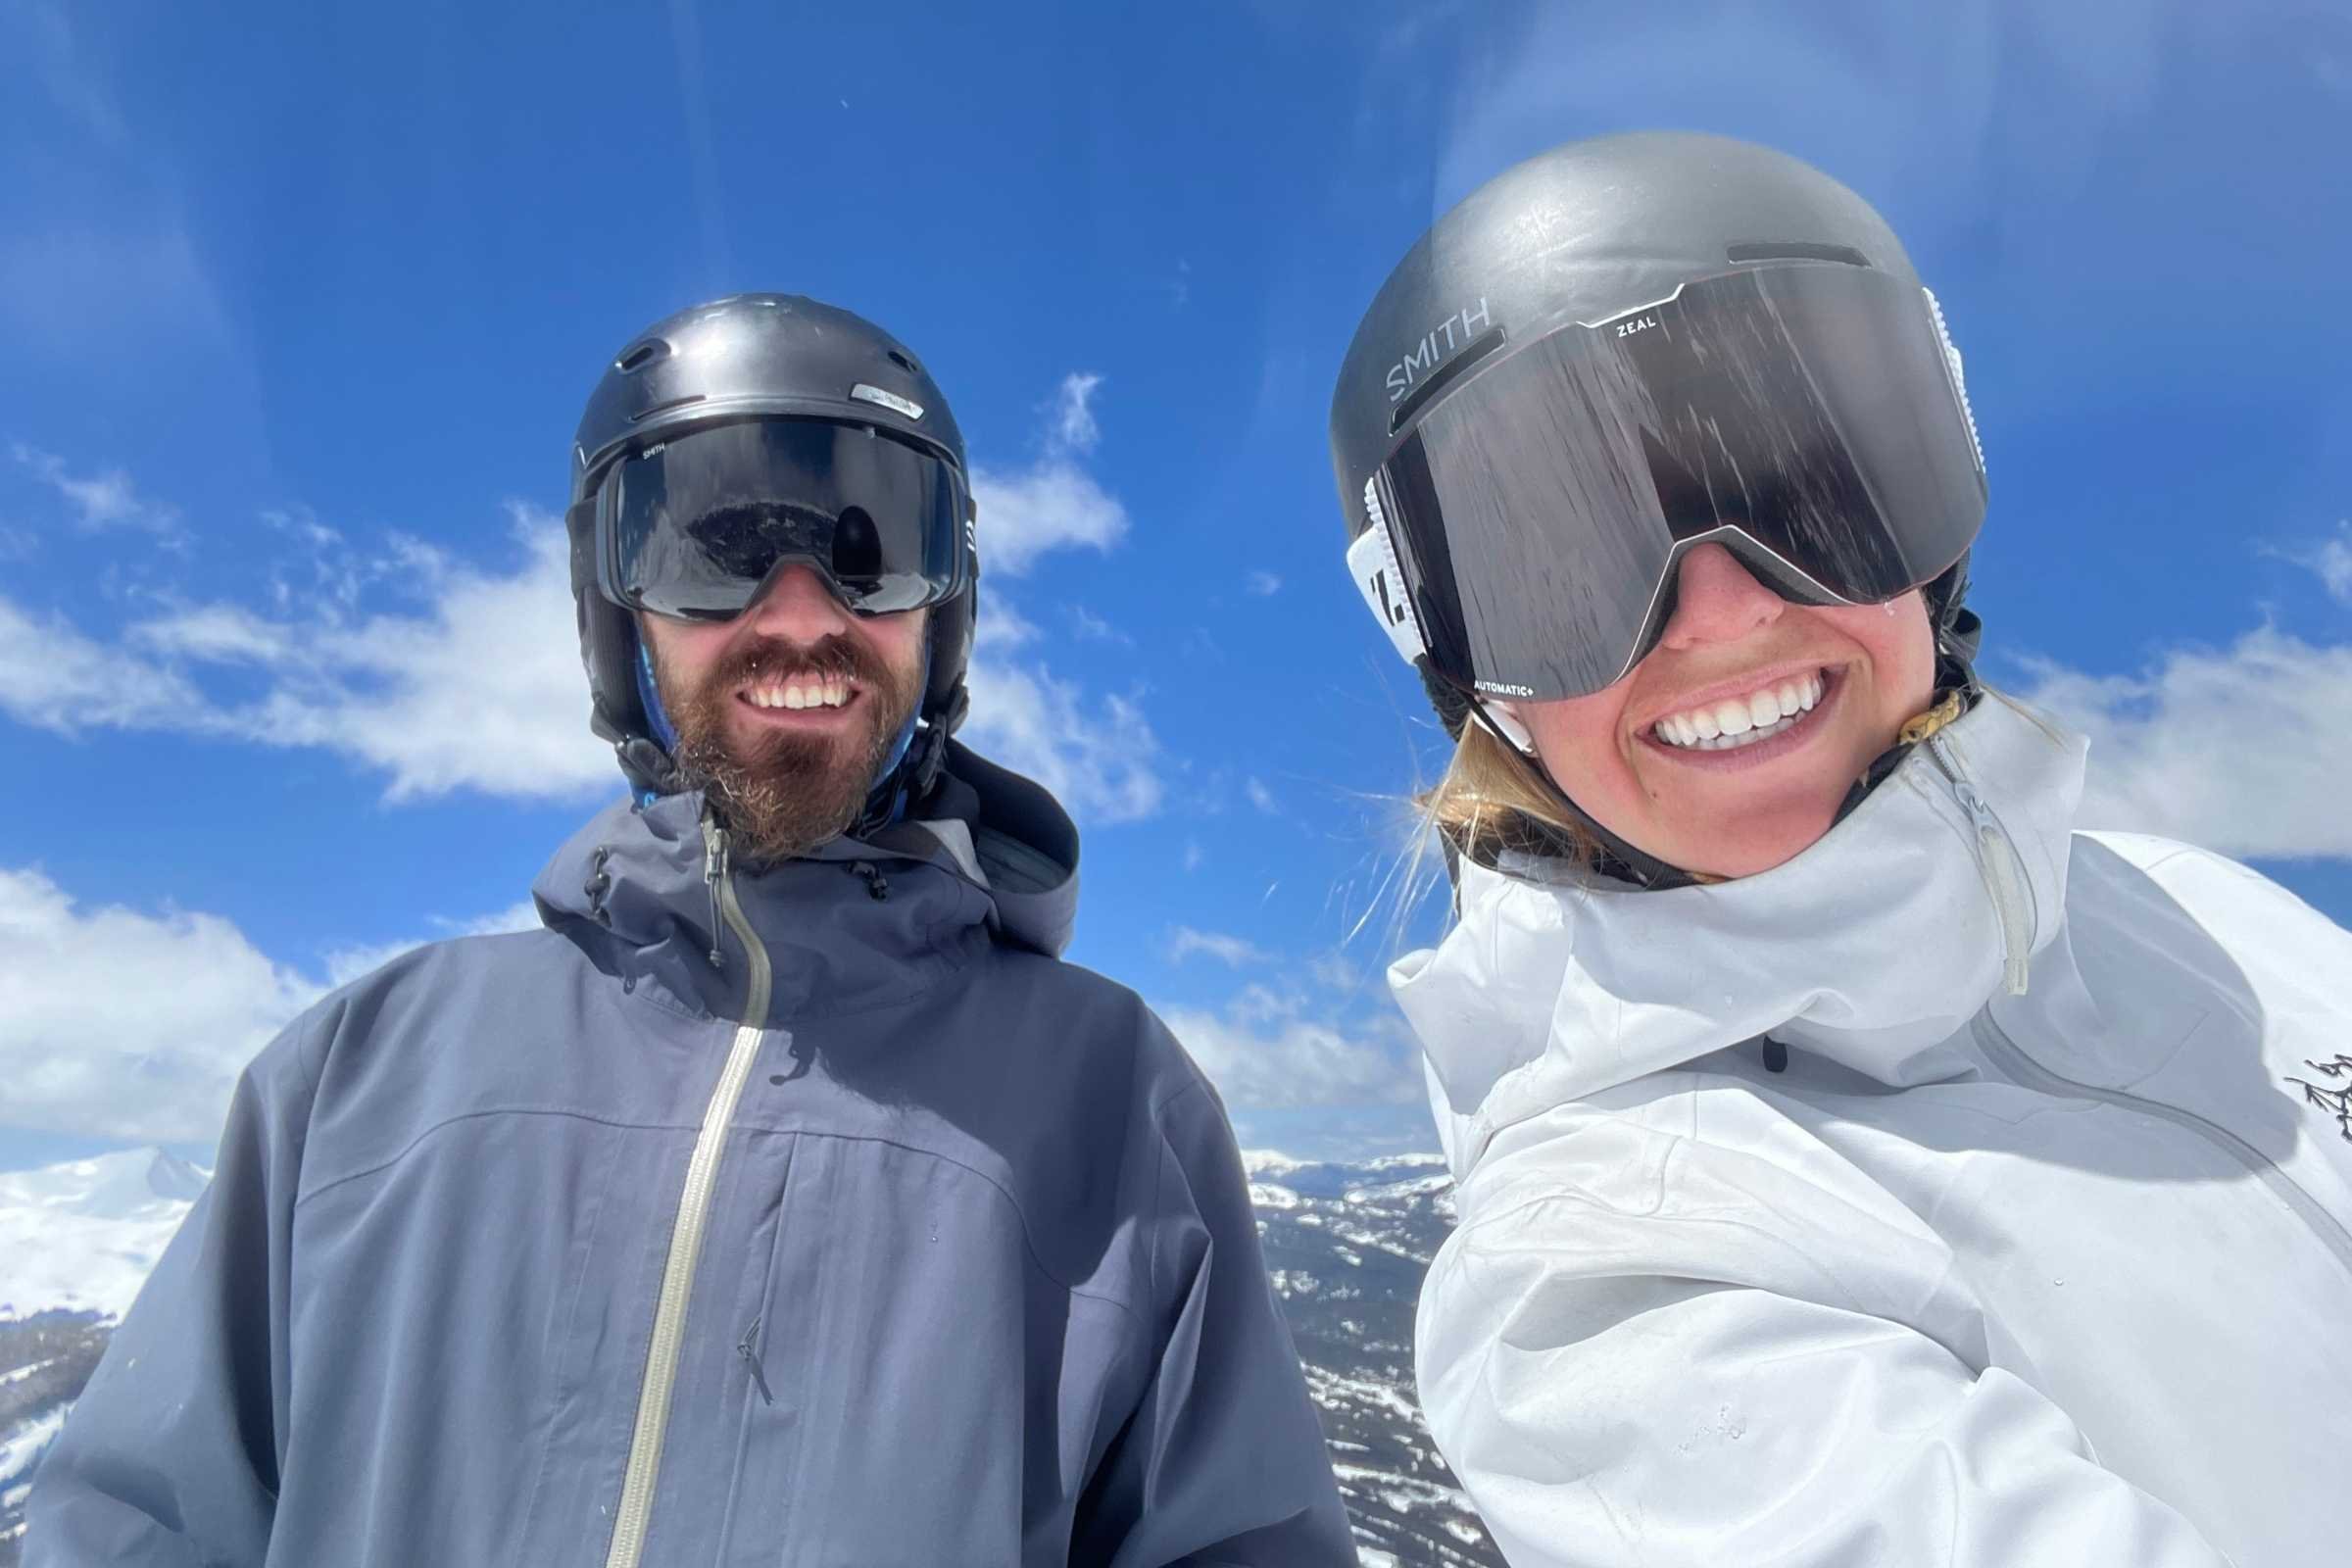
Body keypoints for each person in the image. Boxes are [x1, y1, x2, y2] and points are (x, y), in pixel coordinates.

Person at [30, 293, 1355, 1566]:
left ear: (941, 614)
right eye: (710, 545)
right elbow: (144, 1523)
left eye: (870, 540)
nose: (798, 612)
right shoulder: (359, 1081)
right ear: (619, 615)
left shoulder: (1115, 1106)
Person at [1327, 132, 2352, 1567]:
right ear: (1469, 671)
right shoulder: (1611, 1280)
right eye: (1560, 562)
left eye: (1803, 485)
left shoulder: (2206, 911)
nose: (1723, 614)